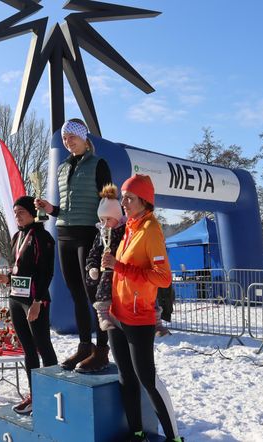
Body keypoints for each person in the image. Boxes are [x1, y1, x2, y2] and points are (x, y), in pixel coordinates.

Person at [101, 174, 183, 442]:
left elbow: (163, 277)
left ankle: (173, 438)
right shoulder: (130, 228)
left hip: (139, 318)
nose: (123, 202)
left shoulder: (150, 231)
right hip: (117, 314)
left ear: (145, 201)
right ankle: (136, 433)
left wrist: (119, 266)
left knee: (147, 380)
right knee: (126, 378)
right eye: (123, 196)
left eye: (129, 197)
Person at [35, 118, 113, 372]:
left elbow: (108, 201)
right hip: (65, 233)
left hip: (89, 233)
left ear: (84, 138)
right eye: (65, 138)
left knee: (94, 294)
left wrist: (109, 234)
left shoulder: (98, 163)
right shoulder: (62, 167)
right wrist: (50, 209)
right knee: (76, 293)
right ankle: (83, 346)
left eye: (73, 137)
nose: (69, 142)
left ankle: (102, 350)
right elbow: (65, 207)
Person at [0, 196, 58, 415]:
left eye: (21, 211)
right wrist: (8, 279)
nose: (17, 216)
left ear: (32, 213)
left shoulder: (43, 237)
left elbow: (46, 272)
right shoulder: (16, 236)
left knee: (43, 346)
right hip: (16, 299)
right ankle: (35, 395)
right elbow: (18, 268)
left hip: (35, 301)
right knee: (28, 349)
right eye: (15, 212)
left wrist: (38, 302)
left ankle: (53, 393)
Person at [84, 184, 125, 335]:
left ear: (118, 217)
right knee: (104, 281)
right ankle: (102, 315)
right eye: (102, 219)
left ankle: (157, 320)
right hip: (106, 271)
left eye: (109, 219)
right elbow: (93, 253)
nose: (105, 223)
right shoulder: (100, 234)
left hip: (122, 270)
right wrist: (92, 267)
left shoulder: (126, 231)